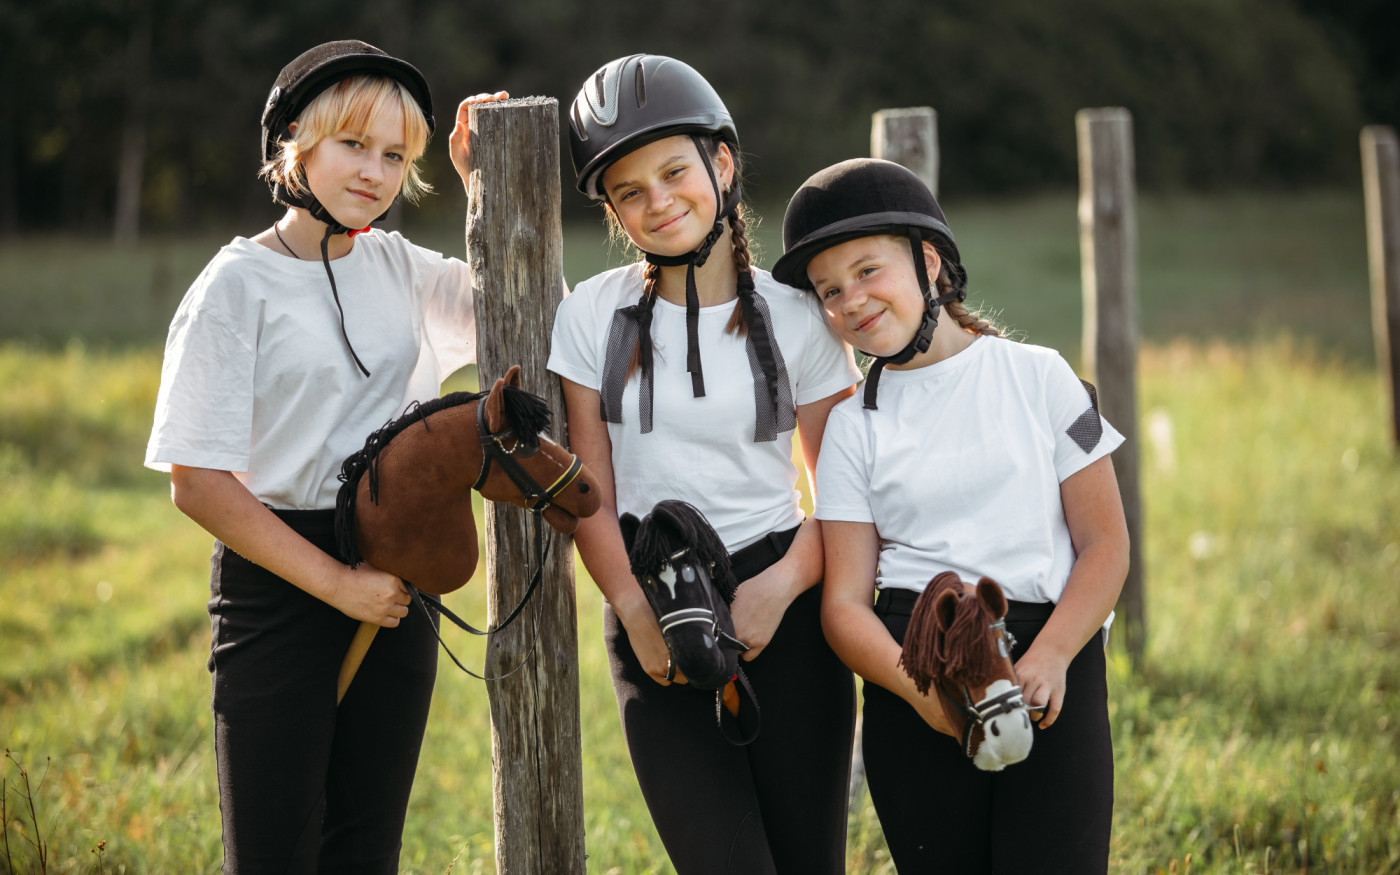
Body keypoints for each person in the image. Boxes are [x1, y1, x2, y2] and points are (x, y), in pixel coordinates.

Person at [144, 40, 505, 873]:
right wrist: (338, 584)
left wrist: (483, 186)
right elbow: (196, 482)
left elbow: (529, 311)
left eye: (396, 156)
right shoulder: (235, 284)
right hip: (279, 582)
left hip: (399, 571)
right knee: (273, 853)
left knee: (365, 850)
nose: (375, 172)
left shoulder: (401, 267)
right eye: (353, 144)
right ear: (294, 143)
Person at [548, 54, 861, 874]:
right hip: (652, 601)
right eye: (629, 191)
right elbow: (590, 491)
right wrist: (629, 605)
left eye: (674, 172)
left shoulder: (799, 318)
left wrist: (781, 587)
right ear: (613, 209)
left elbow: (846, 489)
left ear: (721, 163)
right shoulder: (590, 316)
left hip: (785, 604)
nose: (658, 201)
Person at [771, 158, 1129, 873]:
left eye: (868, 271)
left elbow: (1106, 544)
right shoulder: (851, 429)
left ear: (928, 262)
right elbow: (844, 606)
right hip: (918, 674)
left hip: (1048, 663)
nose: (851, 301)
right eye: (830, 290)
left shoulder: (1040, 376)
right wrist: (924, 696)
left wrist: (1054, 655)